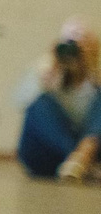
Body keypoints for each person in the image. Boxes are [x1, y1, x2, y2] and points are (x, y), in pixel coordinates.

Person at [18, 35, 101, 181]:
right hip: (47, 156)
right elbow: (20, 102)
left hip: (94, 154)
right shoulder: (47, 74)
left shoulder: (96, 82)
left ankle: (81, 158)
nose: (74, 52)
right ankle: (81, 158)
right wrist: (46, 73)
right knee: (39, 102)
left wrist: (93, 69)